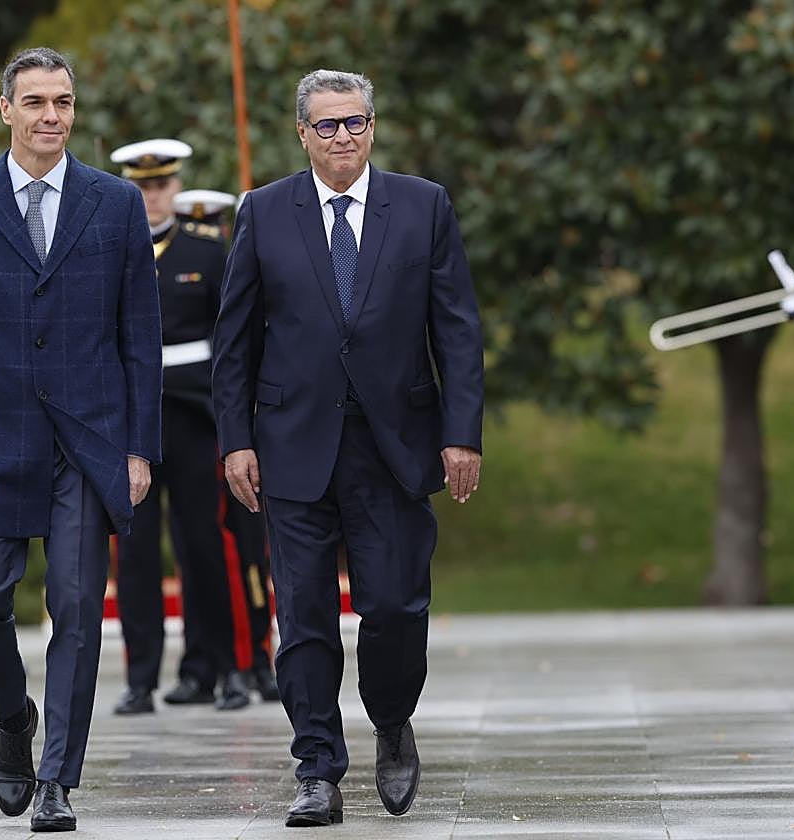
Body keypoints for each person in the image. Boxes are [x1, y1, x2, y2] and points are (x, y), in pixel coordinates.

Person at [212, 69, 484, 827]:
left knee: (396, 606)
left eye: (355, 122)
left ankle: (392, 724)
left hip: (396, 446)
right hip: (291, 446)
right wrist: (235, 440)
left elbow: (456, 329)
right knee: (301, 615)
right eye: (327, 125)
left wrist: (462, 433)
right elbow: (233, 342)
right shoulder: (264, 213)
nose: (343, 137)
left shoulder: (423, 205)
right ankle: (316, 769)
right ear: (302, 132)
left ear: (373, 125)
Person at [0, 47, 161, 833]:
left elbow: (140, 337)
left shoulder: (115, 203)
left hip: (88, 444)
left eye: (64, 101)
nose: (51, 116)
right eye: (37, 102)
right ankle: (15, 721)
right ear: (6, 109)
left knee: (78, 607)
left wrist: (139, 448)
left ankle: (57, 779)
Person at [106, 140, 272, 715]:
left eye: (162, 185)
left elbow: (231, 336)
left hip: (197, 422)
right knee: (135, 557)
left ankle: (229, 667)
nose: (154, 196)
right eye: (144, 186)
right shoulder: (112, 252)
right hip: (134, 429)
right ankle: (140, 677)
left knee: (208, 548)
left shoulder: (206, 249)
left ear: (176, 188)